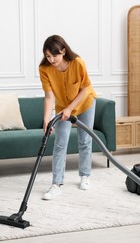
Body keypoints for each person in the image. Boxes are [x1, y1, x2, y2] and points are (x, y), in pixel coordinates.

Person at [39, 35, 97, 200]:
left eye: (54, 55)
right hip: (62, 108)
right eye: (48, 56)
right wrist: (46, 118)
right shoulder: (44, 69)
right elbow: (49, 96)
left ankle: (85, 176)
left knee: (85, 140)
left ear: (63, 51)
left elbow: (85, 89)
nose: (51, 60)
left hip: (85, 103)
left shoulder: (77, 63)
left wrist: (70, 109)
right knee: (60, 143)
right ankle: (56, 184)